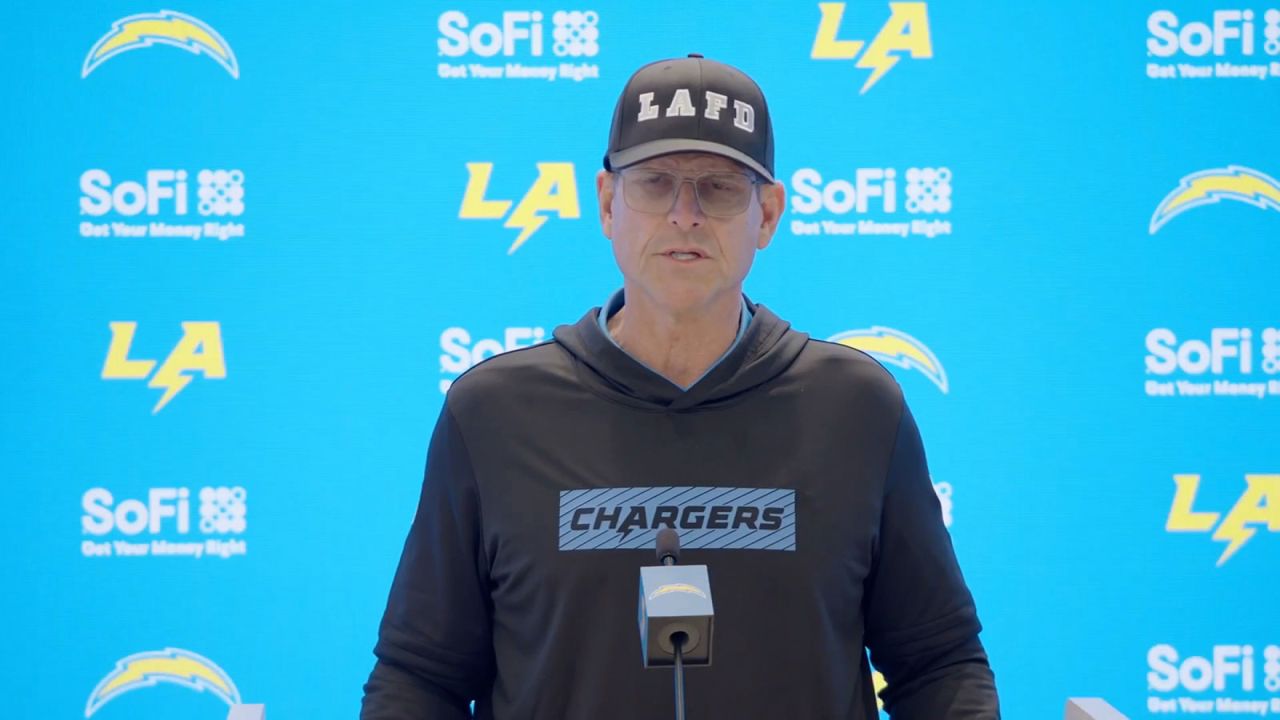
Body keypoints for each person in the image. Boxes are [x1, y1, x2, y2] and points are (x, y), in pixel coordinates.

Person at [361, 54, 999, 719]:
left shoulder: (859, 410)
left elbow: (939, 665)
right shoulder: (492, 415)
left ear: (769, 214)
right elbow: (419, 678)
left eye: (719, 187)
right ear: (608, 203)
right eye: (655, 183)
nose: (685, 214)